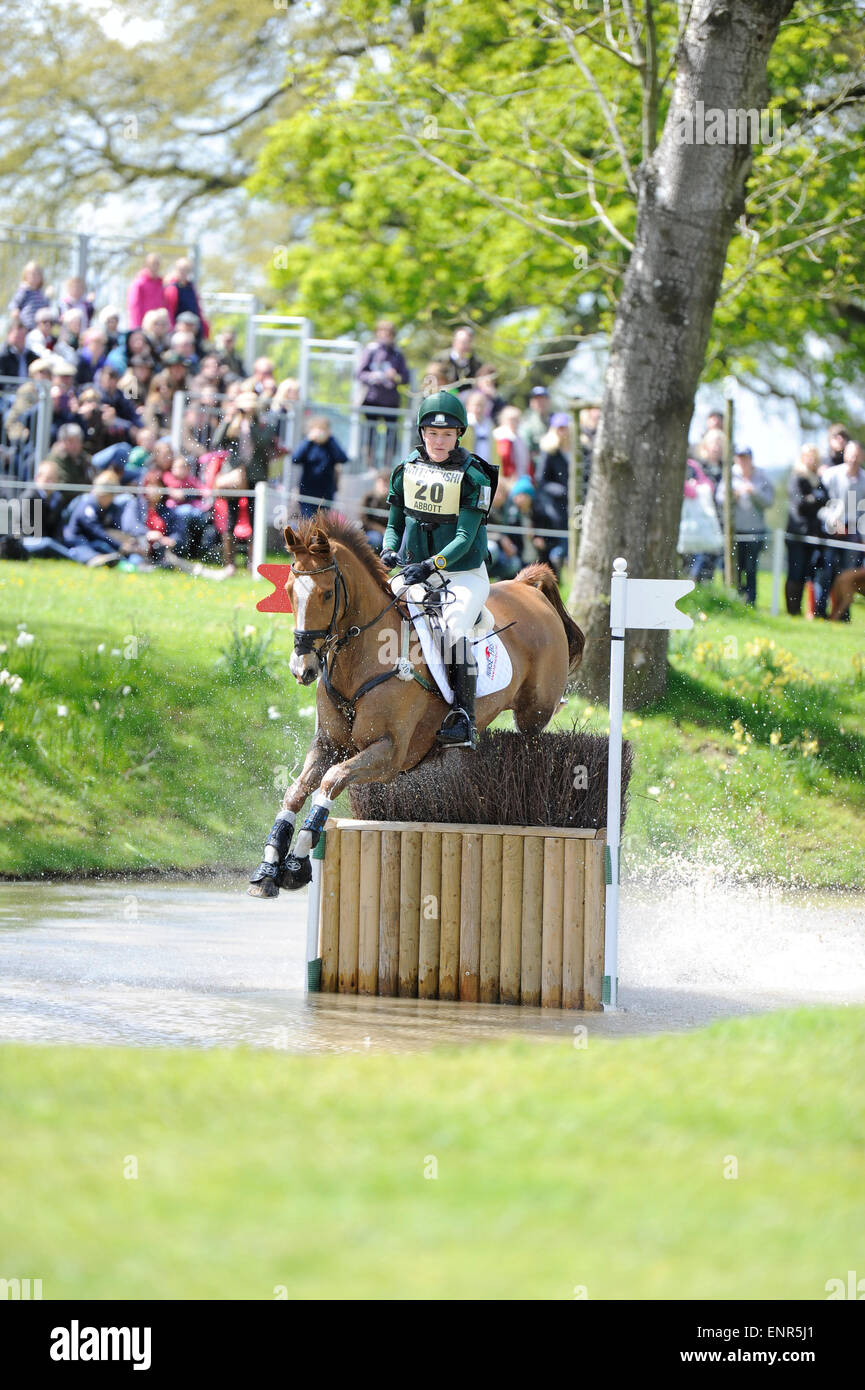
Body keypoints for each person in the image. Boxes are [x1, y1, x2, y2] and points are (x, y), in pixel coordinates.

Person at [380, 389, 497, 751]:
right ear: (422, 434)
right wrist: (387, 549)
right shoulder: (406, 471)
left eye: (447, 434)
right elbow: (394, 524)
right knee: (377, 610)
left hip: (462, 574)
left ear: (459, 435)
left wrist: (432, 565)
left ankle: (464, 717)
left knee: (453, 627)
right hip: (415, 569)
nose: (439, 441)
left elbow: (464, 537)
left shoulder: (474, 476)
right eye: (432, 433)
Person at [211, 391, 281, 571]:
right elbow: (217, 442)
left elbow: (263, 441)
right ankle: (229, 563)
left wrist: (250, 424)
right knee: (231, 518)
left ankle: (253, 561)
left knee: (254, 519)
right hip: (234, 476)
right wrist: (228, 419)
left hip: (255, 477)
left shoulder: (263, 424)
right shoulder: (232, 423)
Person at [715, 446, 774, 606]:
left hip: (755, 532)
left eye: (745, 458)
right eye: (740, 458)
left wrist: (754, 492)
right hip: (734, 531)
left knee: (751, 567)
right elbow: (720, 499)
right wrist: (733, 495)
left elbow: (769, 501)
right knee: (735, 567)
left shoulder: (761, 476)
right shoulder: (730, 475)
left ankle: (751, 601)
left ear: (751, 459)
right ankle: (735, 599)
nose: (743, 461)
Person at [818, 439, 865, 620]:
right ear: (845, 455)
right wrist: (832, 520)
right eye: (850, 454)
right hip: (831, 530)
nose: (853, 458)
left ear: (861, 456)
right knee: (826, 571)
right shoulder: (830, 476)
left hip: (853, 533)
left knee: (848, 574)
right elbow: (820, 506)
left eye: (856, 455)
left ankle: (842, 616)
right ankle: (821, 611)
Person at [355, 319, 410, 470]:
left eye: (389, 333)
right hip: (372, 399)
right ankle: (369, 465)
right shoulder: (371, 350)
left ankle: (388, 466)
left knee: (391, 435)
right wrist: (375, 376)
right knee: (369, 433)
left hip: (391, 401)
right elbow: (360, 373)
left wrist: (395, 376)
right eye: (383, 332)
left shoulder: (397, 354)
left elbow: (405, 378)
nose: (386, 336)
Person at [785, 444, 828, 615]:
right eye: (808, 456)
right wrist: (814, 499)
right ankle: (792, 610)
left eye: (814, 456)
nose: (811, 459)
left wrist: (813, 499)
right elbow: (800, 504)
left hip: (812, 534)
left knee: (805, 573)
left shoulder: (817, 480)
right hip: (797, 533)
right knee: (795, 572)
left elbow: (825, 499)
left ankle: (802, 610)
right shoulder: (797, 477)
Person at [533, 413, 572, 575]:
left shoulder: (578, 449)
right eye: (560, 428)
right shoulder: (549, 452)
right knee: (559, 546)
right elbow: (541, 480)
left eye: (565, 428)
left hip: (574, 505)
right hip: (555, 507)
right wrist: (563, 491)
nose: (563, 432)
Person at [291, 415, 348, 518]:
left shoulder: (330, 445)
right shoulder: (309, 445)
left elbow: (343, 458)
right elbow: (295, 459)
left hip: (326, 493)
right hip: (307, 491)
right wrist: (308, 440)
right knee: (308, 521)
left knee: (322, 523)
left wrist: (330, 439)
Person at [19, 460, 73, 560]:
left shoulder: (57, 498)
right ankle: (74, 557)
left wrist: (59, 541)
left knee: (72, 539)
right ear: (37, 478)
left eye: (54, 479)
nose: (50, 483)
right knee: (48, 543)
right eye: (47, 479)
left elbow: (58, 527)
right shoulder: (30, 496)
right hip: (28, 540)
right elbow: (30, 530)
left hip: (48, 540)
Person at [163, 258, 210, 341]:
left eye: (186, 270)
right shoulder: (172, 288)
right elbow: (170, 311)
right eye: (181, 270)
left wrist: (204, 328)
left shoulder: (191, 288)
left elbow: (198, 309)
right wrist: (173, 329)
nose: (183, 273)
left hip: (194, 330)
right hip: (179, 331)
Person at [127, 254, 168, 330]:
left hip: (159, 326)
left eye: (157, 264)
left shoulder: (161, 284)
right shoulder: (139, 283)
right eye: (153, 264)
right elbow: (134, 306)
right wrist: (136, 326)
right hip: (144, 326)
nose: (155, 267)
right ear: (147, 265)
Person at [437, 326, 481, 397]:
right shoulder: (441, 359)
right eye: (463, 342)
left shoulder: (475, 362)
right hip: (445, 397)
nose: (466, 346)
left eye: (469, 342)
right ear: (454, 341)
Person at [7, 261, 51, 329]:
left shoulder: (40, 293)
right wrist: (15, 310)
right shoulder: (24, 290)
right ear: (26, 276)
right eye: (31, 274)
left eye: (37, 274)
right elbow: (14, 303)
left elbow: (45, 308)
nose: (34, 277)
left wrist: (48, 297)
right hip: (27, 324)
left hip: (39, 327)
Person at [492, 405, 530, 480]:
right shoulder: (499, 435)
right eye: (511, 419)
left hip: (520, 478)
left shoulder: (520, 437)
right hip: (504, 478)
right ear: (503, 419)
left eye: (517, 419)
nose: (514, 422)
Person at [519, 386, 551, 474]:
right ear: (531, 403)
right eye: (537, 400)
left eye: (543, 399)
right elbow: (525, 452)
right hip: (534, 471)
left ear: (548, 401)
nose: (540, 403)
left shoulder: (555, 421)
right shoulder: (526, 425)